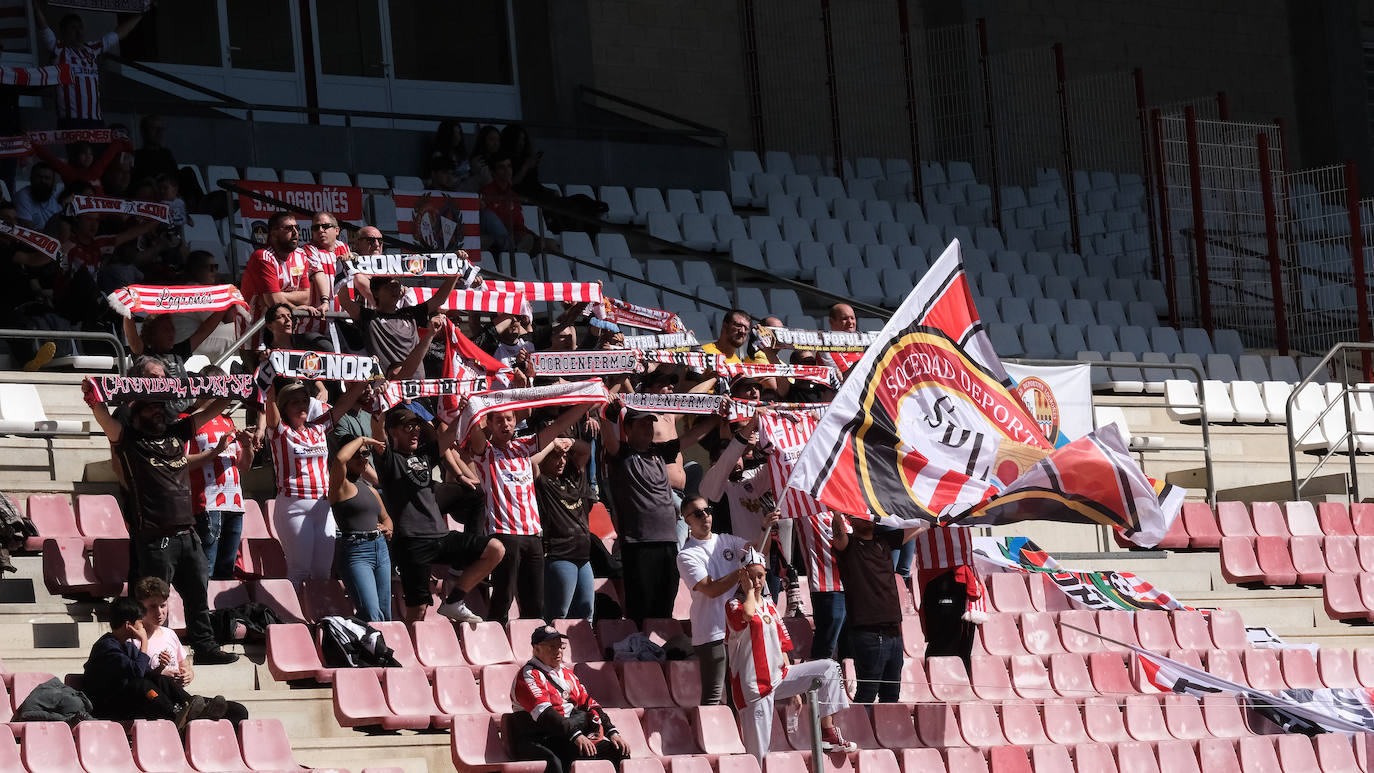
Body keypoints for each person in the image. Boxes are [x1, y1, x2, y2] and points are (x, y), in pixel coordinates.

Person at [82, 382, 239, 665]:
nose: (158, 412)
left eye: (160, 407)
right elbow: (105, 420)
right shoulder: (129, 439)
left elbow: (213, 409)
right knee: (150, 601)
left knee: (197, 596)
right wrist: (94, 400)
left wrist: (232, 389)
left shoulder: (175, 433)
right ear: (136, 411)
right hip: (155, 539)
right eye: (151, 407)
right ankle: (146, 652)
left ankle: (204, 647)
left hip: (187, 533)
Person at [463, 403, 591, 625]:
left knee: (534, 604)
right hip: (504, 535)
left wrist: (588, 402)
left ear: (516, 421)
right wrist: (472, 411)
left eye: (509, 419)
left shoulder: (525, 446)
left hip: (533, 536)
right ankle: (498, 648)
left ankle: (531, 650)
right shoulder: (486, 453)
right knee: (503, 599)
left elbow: (561, 424)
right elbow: (475, 437)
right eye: (499, 420)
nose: (505, 424)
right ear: (490, 424)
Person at [377, 405, 504, 625]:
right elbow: (377, 430)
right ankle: (408, 654)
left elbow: (448, 437)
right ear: (393, 431)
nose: (415, 431)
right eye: (408, 427)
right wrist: (381, 409)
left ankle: (454, 601)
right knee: (418, 611)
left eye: (417, 426)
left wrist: (463, 412)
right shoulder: (389, 459)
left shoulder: (424, 455)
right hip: (413, 543)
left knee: (496, 549)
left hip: (441, 537)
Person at [726, 548, 855, 760]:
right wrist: (748, 591)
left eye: (760, 576)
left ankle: (827, 731)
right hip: (752, 686)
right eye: (750, 576)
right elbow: (747, 615)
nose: (756, 581)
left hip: (779, 676)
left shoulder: (770, 606)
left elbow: (782, 644)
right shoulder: (734, 604)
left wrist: (795, 687)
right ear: (742, 577)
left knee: (830, 668)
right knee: (758, 754)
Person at [598, 403, 718, 625]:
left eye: (650, 424)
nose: (648, 429)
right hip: (638, 543)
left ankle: (659, 653)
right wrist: (608, 414)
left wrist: (718, 414)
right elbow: (608, 437)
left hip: (668, 541)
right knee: (640, 608)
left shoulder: (660, 451)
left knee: (665, 605)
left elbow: (691, 437)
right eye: (642, 424)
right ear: (628, 428)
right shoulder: (621, 453)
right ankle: (639, 653)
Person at [265, 379, 371, 584]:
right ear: (285, 407)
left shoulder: (318, 428)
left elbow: (346, 402)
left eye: (304, 400)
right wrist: (269, 381)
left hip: (323, 505)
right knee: (299, 568)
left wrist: (366, 376)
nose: (301, 405)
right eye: (294, 402)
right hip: (293, 505)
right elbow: (269, 402)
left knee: (323, 570)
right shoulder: (280, 432)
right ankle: (294, 616)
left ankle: (321, 615)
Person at [676, 496, 776, 706]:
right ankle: (708, 739)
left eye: (708, 510)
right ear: (686, 520)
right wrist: (740, 573)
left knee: (739, 696)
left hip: (738, 628)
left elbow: (758, 554)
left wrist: (764, 528)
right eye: (698, 513)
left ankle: (739, 737)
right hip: (712, 630)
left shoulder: (727, 540)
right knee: (713, 696)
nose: (705, 516)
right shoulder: (686, 555)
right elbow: (710, 590)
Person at [82, 598, 234, 726]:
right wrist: (144, 641)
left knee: (160, 679)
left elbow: (147, 671)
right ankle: (176, 715)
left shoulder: (125, 645)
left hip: (126, 701)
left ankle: (195, 709)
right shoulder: (107, 647)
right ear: (129, 625)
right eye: (140, 623)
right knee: (140, 685)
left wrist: (162, 669)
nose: (142, 627)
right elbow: (137, 672)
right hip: (108, 706)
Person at [510, 625, 630, 773]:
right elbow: (545, 714)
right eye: (551, 647)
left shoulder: (567, 673)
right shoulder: (528, 675)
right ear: (536, 649)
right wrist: (576, 736)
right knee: (560, 761)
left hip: (564, 734)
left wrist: (612, 732)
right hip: (538, 737)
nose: (558, 651)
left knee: (618, 750)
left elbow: (589, 704)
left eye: (561, 646)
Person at [832, 514, 914, 703]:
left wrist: (935, 515)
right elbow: (838, 537)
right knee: (866, 694)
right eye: (858, 515)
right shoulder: (849, 546)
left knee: (891, 696)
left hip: (894, 633)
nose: (866, 518)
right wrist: (836, 512)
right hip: (868, 633)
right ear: (850, 521)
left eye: (867, 513)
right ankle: (861, 733)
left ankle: (886, 733)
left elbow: (917, 526)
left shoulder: (884, 541)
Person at [336, 259, 465, 378]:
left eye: (396, 285)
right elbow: (344, 300)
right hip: (388, 389)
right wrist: (345, 268)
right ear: (375, 292)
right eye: (389, 286)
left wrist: (456, 271)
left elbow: (439, 299)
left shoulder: (410, 314)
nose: (395, 290)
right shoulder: (369, 318)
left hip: (417, 389)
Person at [182, 366, 254, 580]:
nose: (223, 392)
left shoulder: (227, 420)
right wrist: (215, 451)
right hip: (208, 504)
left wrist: (247, 446)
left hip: (235, 503)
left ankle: (222, 613)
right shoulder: (187, 419)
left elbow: (244, 466)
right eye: (219, 386)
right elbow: (181, 464)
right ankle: (204, 612)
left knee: (226, 570)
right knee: (207, 568)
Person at [33, 1, 145, 128]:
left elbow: (118, 33)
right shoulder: (58, 50)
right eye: (73, 28)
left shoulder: (92, 49)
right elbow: (43, 27)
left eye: (80, 27)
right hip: (71, 121)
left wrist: (141, 15)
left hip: (95, 119)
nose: (79, 32)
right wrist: (36, 7)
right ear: (63, 31)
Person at [328, 434, 393, 622]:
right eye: (357, 454)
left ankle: (382, 649)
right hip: (357, 551)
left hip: (380, 550)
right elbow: (340, 459)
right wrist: (363, 439)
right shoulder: (339, 485)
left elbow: (386, 517)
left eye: (365, 454)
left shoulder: (370, 489)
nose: (363, 458)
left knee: (385, 613)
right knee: (371, 612)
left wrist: (388, 528)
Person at [536, 440, 595, 622]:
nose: (561, 461)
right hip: (560, 556)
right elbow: (531, 462)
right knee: (558, 617)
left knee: (586, 618)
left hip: (584, 558)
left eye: (563, 456)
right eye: (555, 457)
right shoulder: (542, 483)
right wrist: (551, 443)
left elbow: (586, 450)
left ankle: (582, 651)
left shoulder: (573, 478)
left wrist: (568, 442)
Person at [913, 524, 985, 670]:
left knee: (962, 640)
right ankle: (939, 684)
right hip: (937, 567)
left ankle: (958, 682)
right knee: (944, 642)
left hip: (960, 562)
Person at [240, 212, 320, 321]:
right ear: (273, 233)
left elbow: (305, 298)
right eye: (289, 228)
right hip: (254, 325)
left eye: (296, 227)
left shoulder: (301, 256)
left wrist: (279, 294)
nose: (295, 232)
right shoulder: (263, 257)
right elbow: (273, 302)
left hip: (282, 323)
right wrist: (294, 308)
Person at [14, 162, 60, 228]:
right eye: (39, 177)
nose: (43, 181)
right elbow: (27, 228)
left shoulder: (57, 198)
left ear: (53, 181)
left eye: (47, 178)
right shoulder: (23, 196)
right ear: (31, 178)